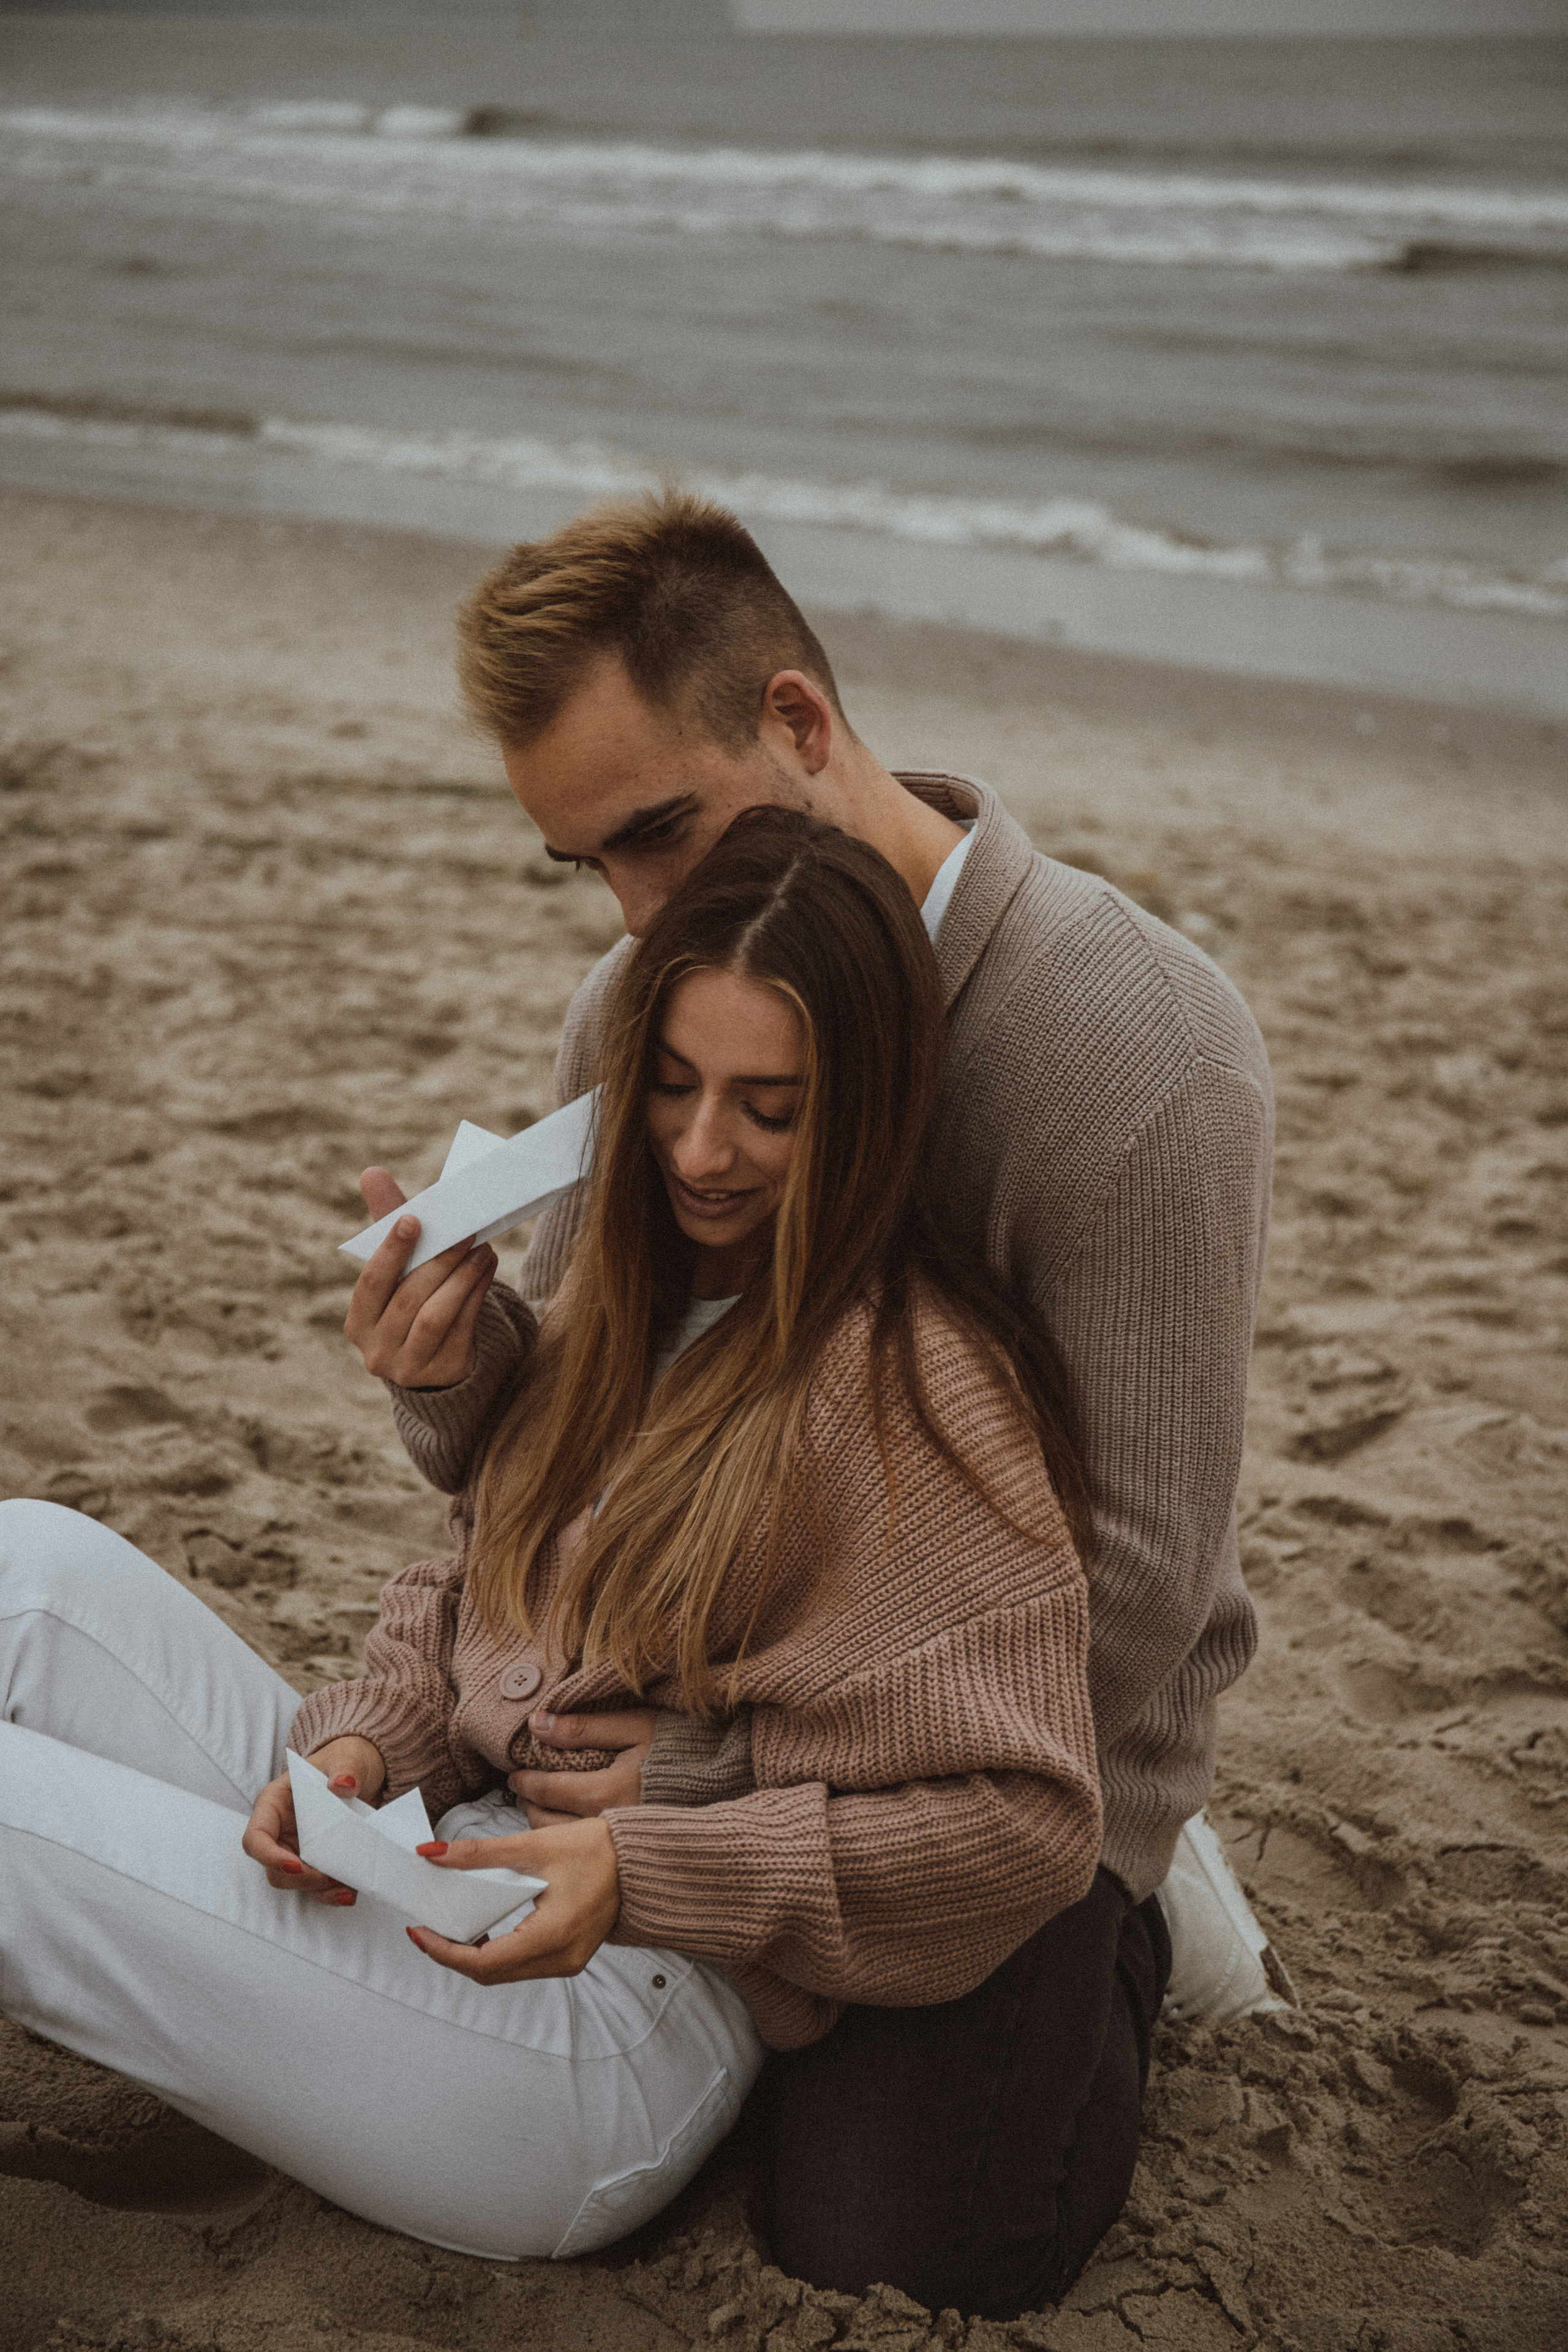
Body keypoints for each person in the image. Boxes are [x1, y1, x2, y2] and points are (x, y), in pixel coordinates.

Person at [0, 812, 1108, 2315]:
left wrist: (657, 1857)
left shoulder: (917, 1394)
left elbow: (1026, 1825)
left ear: (862, 1110)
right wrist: (360, 1746)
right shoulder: (616, 1290)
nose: (704, 1151)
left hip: (604, 2035)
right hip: (441, 1857)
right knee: (33, 1567)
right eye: (671, 1087)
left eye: (770, 1109)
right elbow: (468, 1586)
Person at [347, 489, 1274, 2200]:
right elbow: (586, 1423)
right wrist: (453, 1372)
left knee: (877, 2223)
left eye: (657, 831)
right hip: (693, 1659)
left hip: (1006, 1750)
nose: (634, 915)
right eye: (591, 863)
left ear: (796, 718)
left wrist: (734, 1772)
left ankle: (1166, 1922)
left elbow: (1139, 1581)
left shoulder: (1139, 1048)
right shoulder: (636, 1007)